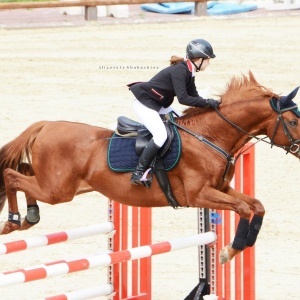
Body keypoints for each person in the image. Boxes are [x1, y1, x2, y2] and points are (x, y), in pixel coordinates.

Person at [128, 39, 220, 185]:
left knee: (183, 122)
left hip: (158, 104)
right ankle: (138, 173)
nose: (209, 63)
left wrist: (210, 104)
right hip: (145, 105)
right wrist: (207, 102)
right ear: (200, 59)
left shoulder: (190, 71)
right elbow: (183, 98)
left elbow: (194, 96)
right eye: (208, 59)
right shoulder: (180, 70)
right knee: (160, 135)